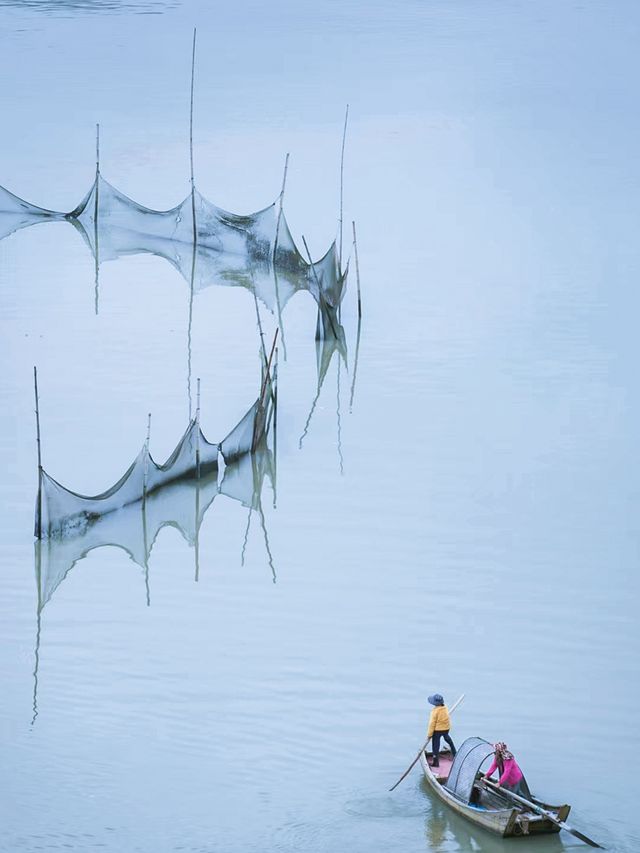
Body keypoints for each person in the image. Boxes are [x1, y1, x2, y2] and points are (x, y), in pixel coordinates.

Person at [426, 693, 456, 767]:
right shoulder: (445, 708)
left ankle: (436, 762)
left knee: (435, 744)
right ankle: (455, 753)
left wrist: (429, 735)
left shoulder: (435, 711)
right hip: (446, 728)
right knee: (447, 738)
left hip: (437, 730)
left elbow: (432, 724)